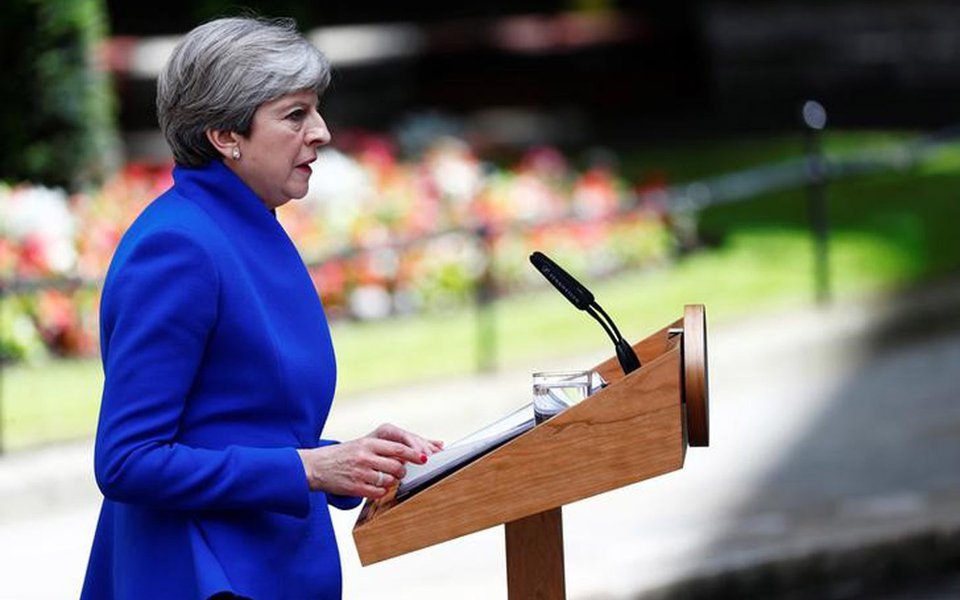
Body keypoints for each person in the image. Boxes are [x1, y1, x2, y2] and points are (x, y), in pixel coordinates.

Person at [80, 16, 442, 600]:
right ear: (226, 135)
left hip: (270, 566)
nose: (321, 131)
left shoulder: (248, 225)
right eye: (295, 114)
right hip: (199, 576)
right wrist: (312, 469)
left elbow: (238, 425)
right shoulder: (179, 246)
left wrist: (357, 460)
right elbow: (128, 461)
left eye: (315, 110)